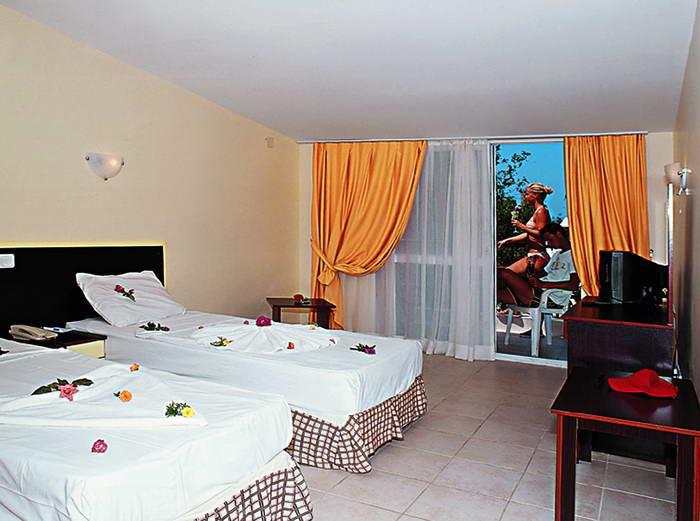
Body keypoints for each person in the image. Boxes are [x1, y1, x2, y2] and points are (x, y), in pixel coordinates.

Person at [497, 222, 579, 307]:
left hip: (550, 297)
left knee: (504, 273)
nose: (549, 244)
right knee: (493, 293)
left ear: (559, 234)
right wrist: (530, 271)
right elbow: (544, 273)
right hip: (540, 290)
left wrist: (542, 284)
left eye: (550, 240)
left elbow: (573, 285)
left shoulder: (574, 256)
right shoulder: (557, 254)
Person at [497, 182, 553, 277]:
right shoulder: (537, 211)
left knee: (505, 274)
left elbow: (542, 234)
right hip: (532, 255)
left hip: (537, 255)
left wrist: (522, 226)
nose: (524, 197)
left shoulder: (541, 211)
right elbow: (530, 234)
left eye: (527, 194)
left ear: (535, 195)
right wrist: (508, 240)